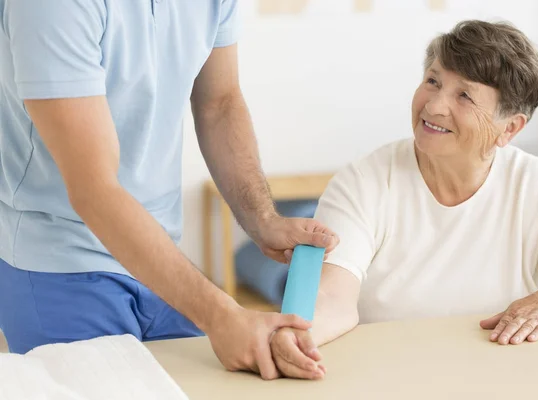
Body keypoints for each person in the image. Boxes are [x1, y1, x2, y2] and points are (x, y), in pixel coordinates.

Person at [0, 0, 338, 380]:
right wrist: (222, 315)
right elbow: (95, 191)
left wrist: (262, 219)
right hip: (60, 264)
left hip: (160, 258)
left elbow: (219, 102)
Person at [269, 20, 538, 380]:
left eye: (464, 96)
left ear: (509, 128)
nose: (435, 105)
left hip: (504, 379)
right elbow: (332, 297)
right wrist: (297, 337)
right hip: (387, 377)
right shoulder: (364, 181)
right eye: (433, 81)